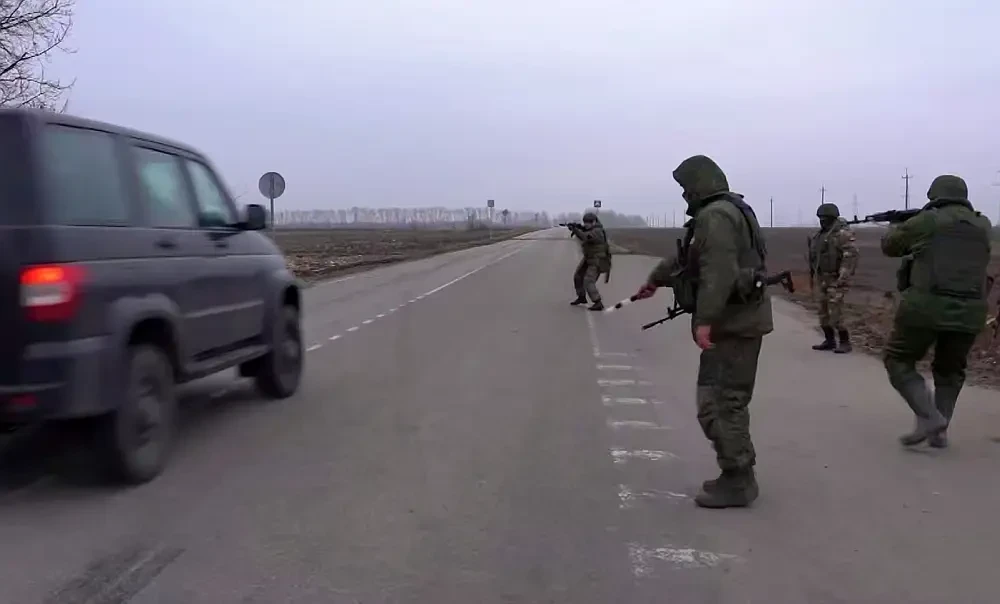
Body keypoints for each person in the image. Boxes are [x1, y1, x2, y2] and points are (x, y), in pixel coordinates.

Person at [634, 155, 773, 508]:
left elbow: (718, 271)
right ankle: (738, 471)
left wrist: (704, 320)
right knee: (725, 400)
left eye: (686, 188)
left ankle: (738, 480)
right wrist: (656, 280)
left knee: (719, 403)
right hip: (739, 321)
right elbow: (690, 259)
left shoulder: (716, 216)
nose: (684, 195)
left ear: (700, 184)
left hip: (733, 324)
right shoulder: (727, 211)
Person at [881, 174, 992, 448]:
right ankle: (939, 431)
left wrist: (899, 225)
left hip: (925, 307)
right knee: (950, 371)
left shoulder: (926, 220)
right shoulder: (983, 224)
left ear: (934, 195)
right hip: (971, 311)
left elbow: (890, 246)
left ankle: (930, 416)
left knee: (898, 360)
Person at [807, 203, 859, 353]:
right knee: (822, 311)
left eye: (825, 219)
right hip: (822, 278)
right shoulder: (819, 236)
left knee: (836, 311)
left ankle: (845, 342)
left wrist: (843, 277)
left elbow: (850, 257)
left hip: (836, 279)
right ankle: (829, 340)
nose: (822, 221)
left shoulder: (842, 235)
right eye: (820, 218)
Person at [569, 212, 611, 311]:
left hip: (598, 260)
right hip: (589, 258)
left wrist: (575, 230)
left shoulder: (597, 231)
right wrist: (578, 228)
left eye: (588, 222)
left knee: (588, 281)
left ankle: (598, 302)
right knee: (578, 276)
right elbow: (585, 233)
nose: (586, 224)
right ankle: (581, 297)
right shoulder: (591, 229)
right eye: (585, 222)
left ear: (594, 222)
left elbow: (585, 237)